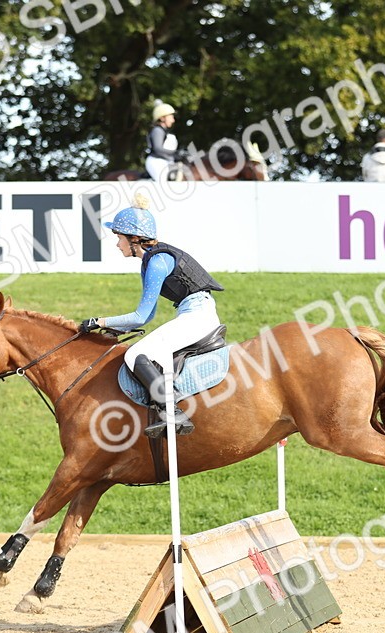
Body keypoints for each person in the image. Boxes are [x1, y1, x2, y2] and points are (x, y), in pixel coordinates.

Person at [81, 195, 224, 437]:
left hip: (198, 315)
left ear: (134, 239)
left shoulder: (157, 262)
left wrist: (99, 321)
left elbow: (140, 316)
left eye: (119, 238)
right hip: (193, 312)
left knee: (137, 353)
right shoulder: (150, 261)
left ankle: (172, 412)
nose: (118, 245)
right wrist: (119, 328)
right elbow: (147, 317)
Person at [145, 101, 184, 182]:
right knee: (163, 183)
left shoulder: (166, 132)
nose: (173, 120)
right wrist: (176, 152)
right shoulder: (157, 130)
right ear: (162, 118)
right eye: (171, 117)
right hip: (156, 162)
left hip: (166, 162)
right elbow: (158, 149)